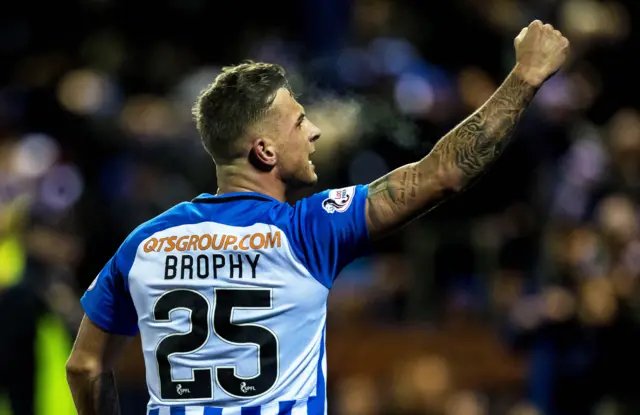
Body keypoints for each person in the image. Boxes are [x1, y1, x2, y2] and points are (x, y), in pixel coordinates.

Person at [66, 20, 569, 415]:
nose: (315, 134)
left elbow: (85, 366)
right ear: (264, 149)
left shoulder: (144, 243)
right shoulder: (306, 234)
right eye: (300, 122)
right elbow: (440, 176)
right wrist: (524, 79)